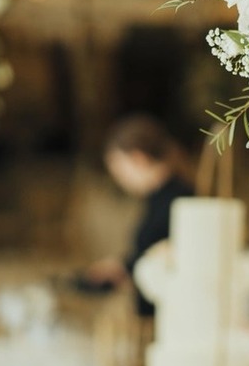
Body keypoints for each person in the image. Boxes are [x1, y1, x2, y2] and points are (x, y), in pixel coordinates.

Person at [82, 115, 192, 318]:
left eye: (119, 169)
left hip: (171, 315)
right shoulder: (159, 198)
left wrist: (125, 268)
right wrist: (122, 266)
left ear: (138, 158)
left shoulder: (178, 198)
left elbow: (172, 257)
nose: (120, 179)